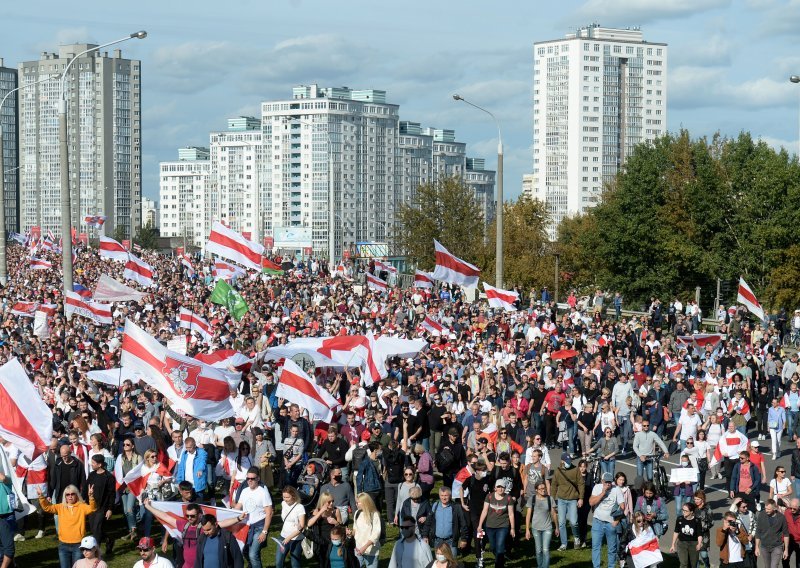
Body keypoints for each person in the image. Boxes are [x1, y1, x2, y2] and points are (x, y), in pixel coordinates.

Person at [38, 484, 96, 568]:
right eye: (67, 494)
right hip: (63, 545)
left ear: (77, 495)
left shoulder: (82, 506)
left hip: (78, 545)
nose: (70, 496)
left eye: (73, 494)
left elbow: (92, 508)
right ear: (65, 496)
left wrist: (91, 497)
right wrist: (41, 497)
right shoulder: (60, 507)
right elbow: (47, 507)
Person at [231, 467, 274, 568]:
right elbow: (238, 506)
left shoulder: (263, 492)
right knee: (245, 551)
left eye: (252, 478)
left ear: (258, 478)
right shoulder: (245, 491)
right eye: (248, 478)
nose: (250, 480)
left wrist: (264, 531)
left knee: (253, 554)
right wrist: (229, 514)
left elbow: (269, 513)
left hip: (259, 527)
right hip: (246, 526)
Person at [477, 478, 515, 568]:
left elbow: (511, 514)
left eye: (502, 487)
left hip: (503, 526)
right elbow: (484, 511)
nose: (500, 489)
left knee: (500, 546)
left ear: (505, 488)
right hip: (490, 526)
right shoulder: (489, 496)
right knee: (493, 547)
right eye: (498, 487)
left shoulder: (508, 498)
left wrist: (512, 528)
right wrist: (479, 525)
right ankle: (500, 558)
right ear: (495, 488)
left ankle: (498, 565)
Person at [589, 472, 624, 568]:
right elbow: (591, 502)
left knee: (611, 548)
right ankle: (596, 566)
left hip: (610, 523)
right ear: (602, 481)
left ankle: (611, 566)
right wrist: (603, 492)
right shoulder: (597, 487)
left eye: (610, 482)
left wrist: (616, 521)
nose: (608, 484)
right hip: (597, 522)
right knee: (596, 547)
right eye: (606, 482)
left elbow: (622, 507)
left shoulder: (616, 489)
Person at [551, 452, 584, 550]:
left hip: (573, 500)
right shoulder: (557, 471)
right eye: (566, 461)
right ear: (562, 461)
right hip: (561, 500)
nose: (568, 462)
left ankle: (577, 538)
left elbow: (581, 484)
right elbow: (554, 485)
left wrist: (581, 498)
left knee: (574, 522)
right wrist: (552, 499)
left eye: (570, 461)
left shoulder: (576, 470)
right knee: (561, 523)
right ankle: (564, 544)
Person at [84, 454, 115, 557]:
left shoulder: (109, 477)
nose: (91, 464)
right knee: (94, 529)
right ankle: (109, 539)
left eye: (93, 463)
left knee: (96, 529)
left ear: (100, 464)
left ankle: (96, 553)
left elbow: (112, 494)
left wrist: (110, 509)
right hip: (91, 506)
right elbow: (86, 488)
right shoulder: (92, 475)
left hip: (102, 507)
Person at [426, 486, 468, 557]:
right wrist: (425, 535)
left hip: (451, 541)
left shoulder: (456, 507)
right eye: (441, 495)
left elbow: (463, 523)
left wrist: (464, 539)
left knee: (452, 563)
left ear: (450, 496)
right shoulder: (435, 506)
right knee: (439, 563)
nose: (443, 498)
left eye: (446, 495)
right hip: (437, 541)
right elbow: (428, 521)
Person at [525, 480, 558, 568]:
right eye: (541, 489)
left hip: (547, 527)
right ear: (536, 490)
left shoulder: (549, 499)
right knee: (538, 550)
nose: (543, 490)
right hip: (536, 528)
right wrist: (527, 529)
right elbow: (528, 515)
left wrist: (557, 527)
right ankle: (540, 566)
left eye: (544, 488)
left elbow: (554, 514)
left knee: (546, 550)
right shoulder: (532, 499)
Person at [276, 486, 306, 568]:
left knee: (295, 563)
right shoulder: (283, 504)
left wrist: (289, 538)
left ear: (293, 496)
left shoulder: (300, 507)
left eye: (287, 497)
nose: (285, 499)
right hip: (283, 536)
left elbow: (302, 526)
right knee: (278, 562)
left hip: (296, 539)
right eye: (284, 497)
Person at [755, 498, 789, 568]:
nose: (766, 511)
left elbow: (786, 534)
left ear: (774, 509)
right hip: (764, 547)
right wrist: (757, 547)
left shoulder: (781, 518)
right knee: (767, 566)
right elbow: (758, 531)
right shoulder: (761, 515)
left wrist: (786, 550)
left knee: (774, 566)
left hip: (777, 546)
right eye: (765, 508)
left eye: (768, 509)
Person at [670, 501, 703, 568]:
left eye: (686, 511)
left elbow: (699, 533)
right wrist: (673, 545)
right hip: (682, 543)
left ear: (691, 512)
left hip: (694, 544)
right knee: (683, 564)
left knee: (693, 564)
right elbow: (676, 531)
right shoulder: (680, 519)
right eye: (683, 510)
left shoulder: (697, 521)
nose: (683, 512)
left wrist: (699, 543)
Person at [353, 493, 382, 568]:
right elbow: (355, 529)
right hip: (358, 548)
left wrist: (365, 547)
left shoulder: (374, 515)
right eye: (355, 502)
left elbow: (376, 534)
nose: (356, 504)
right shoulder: (357, 513)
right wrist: (350, 533)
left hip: (371, 550)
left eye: (358, 502)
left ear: (365, 503)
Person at [693, 491, 714, 568]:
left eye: (698, 499)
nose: (696, 501)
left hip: (704, 535)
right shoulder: (693, 508)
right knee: (695, 555)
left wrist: (702, 527)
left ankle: (707, 565)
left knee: (704, 554)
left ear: (702, 499)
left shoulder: (707, 508)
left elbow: (712, 522)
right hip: (693, 534)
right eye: (695, 499)